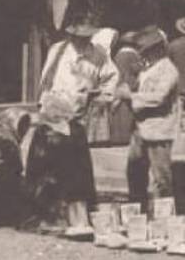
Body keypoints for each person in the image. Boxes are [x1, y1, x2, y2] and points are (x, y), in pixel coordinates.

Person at [25, 17, 118, 230]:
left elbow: (111, 79)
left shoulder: (99, 54)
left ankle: (76, 219)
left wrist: (99, 97)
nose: (82, 42)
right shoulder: (58, 50)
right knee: (46, 169)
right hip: (52, 117)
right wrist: (47, 107)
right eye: (78, 38)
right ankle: (44, 217)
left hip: (76, 118)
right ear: (71, 36)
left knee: (77, 172)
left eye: (87, 37)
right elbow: (45, 80)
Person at [122, 28, 179, 211]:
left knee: (161, 176)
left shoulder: (168, 69)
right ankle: (138, 209)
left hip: (159, 129)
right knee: (135, 171)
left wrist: (131, 96)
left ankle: (164, 214)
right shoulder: (148, 69)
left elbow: (158, 97)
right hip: (141, 127)